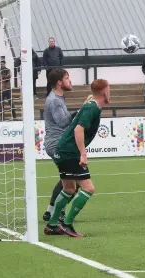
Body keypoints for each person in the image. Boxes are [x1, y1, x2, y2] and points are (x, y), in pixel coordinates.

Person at [45, 79, 110, 238]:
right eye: (109, 90)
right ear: (104, 92)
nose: (110, 93)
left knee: (68, 189)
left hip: (62, 151)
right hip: (70, 153)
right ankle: (67, 224)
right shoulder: (92, 107)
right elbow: (78, 130)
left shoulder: (90, 106)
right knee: (88, 189)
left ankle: (52, 225)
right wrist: (83, 153)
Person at [42, 68, 78, 223]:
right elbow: (63, 122)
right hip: (57, 144)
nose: (70, 81)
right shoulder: (55, 100)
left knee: (70, 178)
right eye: (67, 78)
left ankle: (51, 212)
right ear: (59, 82)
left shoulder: (58, 98)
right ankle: (57, 213)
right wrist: (81, 111)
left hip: (58, 143)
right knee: (75, 180)